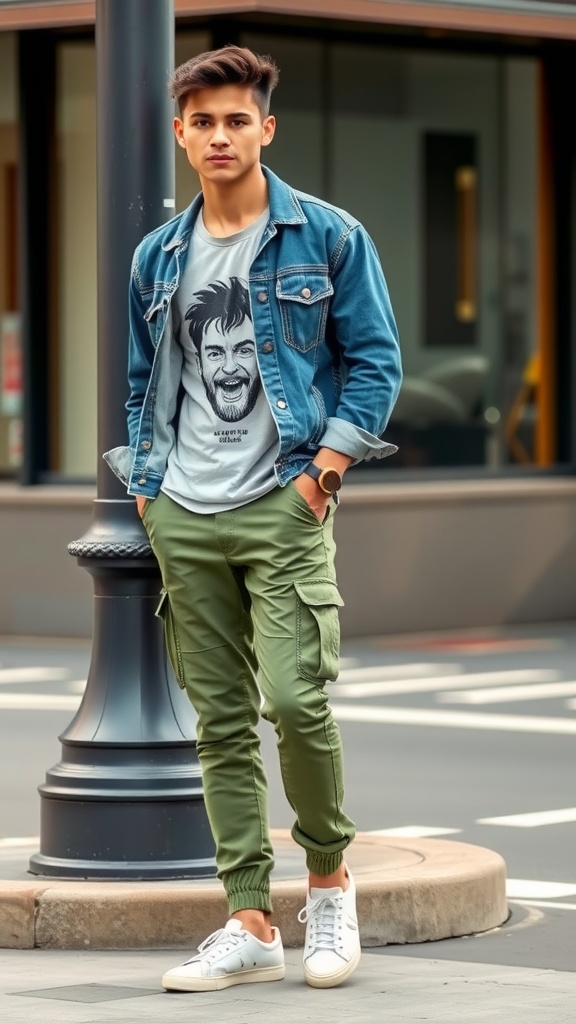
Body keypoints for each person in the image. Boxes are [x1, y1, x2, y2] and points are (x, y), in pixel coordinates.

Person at [104, 43, 402, 993]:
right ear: (183, 134)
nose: (221, 135)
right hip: (182, 510)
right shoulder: (159, 256)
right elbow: (146, 382)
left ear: (266, 128)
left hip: (283, 501)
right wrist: (148, 491)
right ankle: (247, 918)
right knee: (221, 721)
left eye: (239, 119)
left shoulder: (328, 237)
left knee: (295, 699)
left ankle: (327, 887)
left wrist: (323, 473)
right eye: (204, 121)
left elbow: (376, 363)